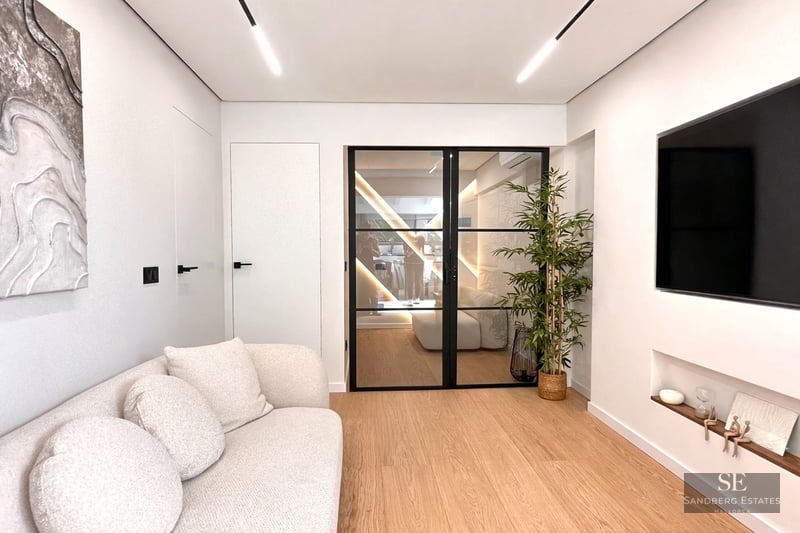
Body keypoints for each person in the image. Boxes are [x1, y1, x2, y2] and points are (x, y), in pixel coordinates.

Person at [356, 221, 380, 310]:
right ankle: (362, 308)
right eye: (362, 231)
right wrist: (360, 248)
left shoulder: (373, 240)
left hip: (370, 267)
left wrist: (371, 249)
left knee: (372, 288)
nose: (365, 233)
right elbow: (353, 254)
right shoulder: (356, 239)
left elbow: (378, 254)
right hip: (359, 268)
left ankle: (374, 309)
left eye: (367, 230)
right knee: (360, 288)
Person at [404, 231, 425, 302]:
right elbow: (406, 253)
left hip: (419, 262)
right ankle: (410, 298)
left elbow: (421, 249)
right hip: (409, 262)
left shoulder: (421, 239)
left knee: (418, 280)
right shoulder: (406, 240)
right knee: (410, 280)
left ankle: (417, 297)